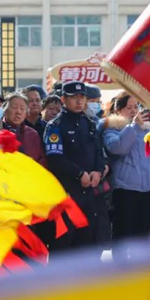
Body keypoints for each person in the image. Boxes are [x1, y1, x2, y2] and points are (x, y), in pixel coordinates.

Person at [43, 81, 106, 250]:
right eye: (74, 97)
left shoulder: (90, 123)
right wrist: (78, 173)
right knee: (63, 244)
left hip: (89, 194)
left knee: (86, 245)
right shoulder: (55, 125)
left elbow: (98, 152)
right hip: (66, 194)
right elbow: (55, 158)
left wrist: (98, 171)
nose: (79, 101)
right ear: (63, 99)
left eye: (82, 97)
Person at [102, 92, 150, 240]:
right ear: (118, 110)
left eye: (135, 107)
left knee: (144, 235)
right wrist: (134, 127)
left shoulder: (145, 129)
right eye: (128, 107)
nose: (133, 111)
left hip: (149, 188)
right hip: (126, 189)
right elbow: (118, 148)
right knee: (124, 233)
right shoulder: (112, 128)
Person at [2, 92, 46, 166]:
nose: (18, 112)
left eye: (22, 108)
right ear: (5, 110)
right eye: (14, 107)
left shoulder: (32, 134)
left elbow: (41, 159)